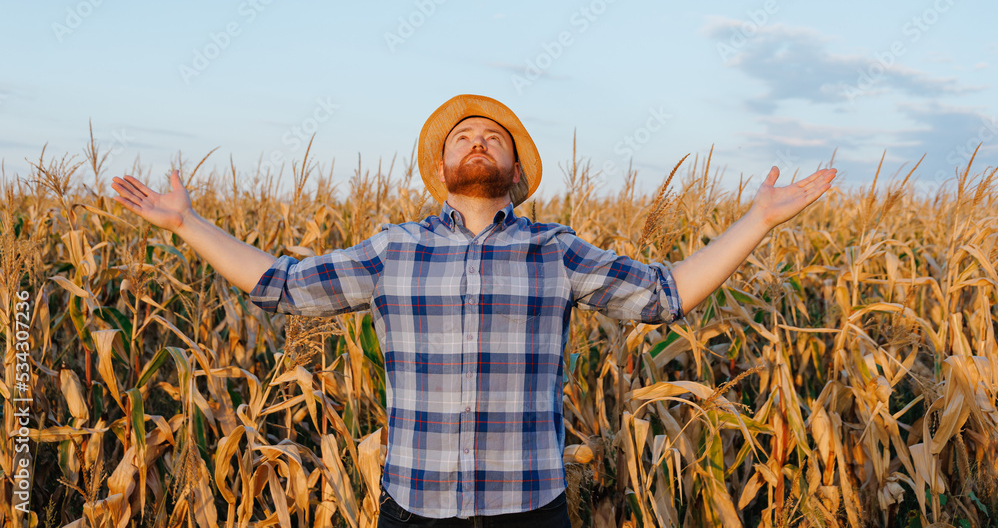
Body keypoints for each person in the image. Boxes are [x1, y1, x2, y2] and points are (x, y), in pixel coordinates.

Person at [110, 94, 836, 527]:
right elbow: (280, 284)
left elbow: (665, 293)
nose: (477, 140)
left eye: (494, 137)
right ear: (442, 171)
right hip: (414, 505)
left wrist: (759, 222)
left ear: (515, 172)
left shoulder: (555, 248)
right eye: (463, 136)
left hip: (529, 505)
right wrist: (187, 225)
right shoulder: (393, 249)